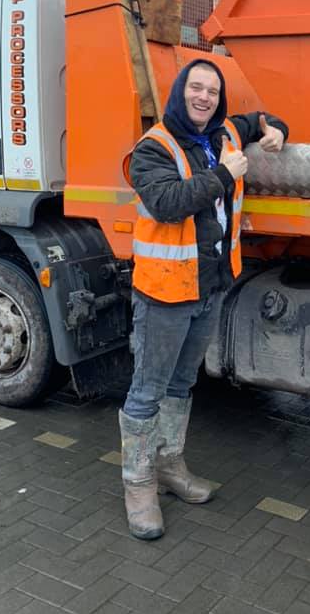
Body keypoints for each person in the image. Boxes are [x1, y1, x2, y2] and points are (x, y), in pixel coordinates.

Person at [120, 58, 288, 540]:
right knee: (147, 391)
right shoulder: (153, 149)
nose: (204, 97)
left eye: (212, 92)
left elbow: (256, 120)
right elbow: (167, 203)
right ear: (180, 91)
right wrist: (223, 178)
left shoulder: (224, 136)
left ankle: (170, 468)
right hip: (165, 292)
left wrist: (276, 128)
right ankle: (138, 486)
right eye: (196, 88)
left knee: (180, 386)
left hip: (209, 287)